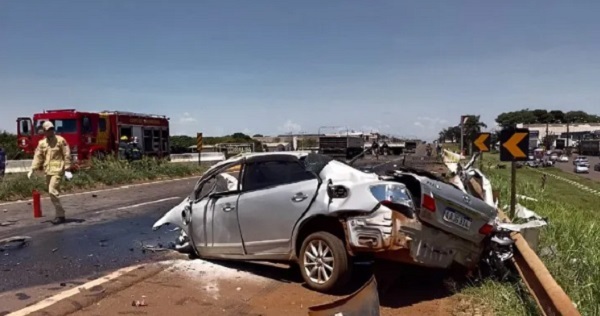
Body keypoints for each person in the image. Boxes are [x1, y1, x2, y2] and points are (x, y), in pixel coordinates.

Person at [28, 121, 72, 224]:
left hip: (58, 170)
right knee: (50, 192)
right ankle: (60, 213)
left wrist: (67, 169)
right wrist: (32, 169)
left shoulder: (60, 140)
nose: (51, 131)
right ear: (44, 131)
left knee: (52, 191)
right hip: (48, 170)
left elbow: (67, 154)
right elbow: (38, 157)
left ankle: (60, 215)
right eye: (48, 130)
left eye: (52, 129)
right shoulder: (42, 143)